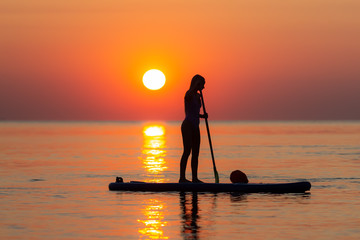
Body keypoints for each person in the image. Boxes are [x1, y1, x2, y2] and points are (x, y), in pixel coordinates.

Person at [179, 74, 208, 183]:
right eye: (203, 84)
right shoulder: (189, 94)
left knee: (196, 153)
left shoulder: (198, 96)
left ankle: (194, 178)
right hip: (187, 125)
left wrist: (202, 116)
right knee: (187, 151)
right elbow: (188, 100)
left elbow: (195, 112)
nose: (204, 87)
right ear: (197, 83)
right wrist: (196, 86)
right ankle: (182, 178)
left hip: (196, 126)